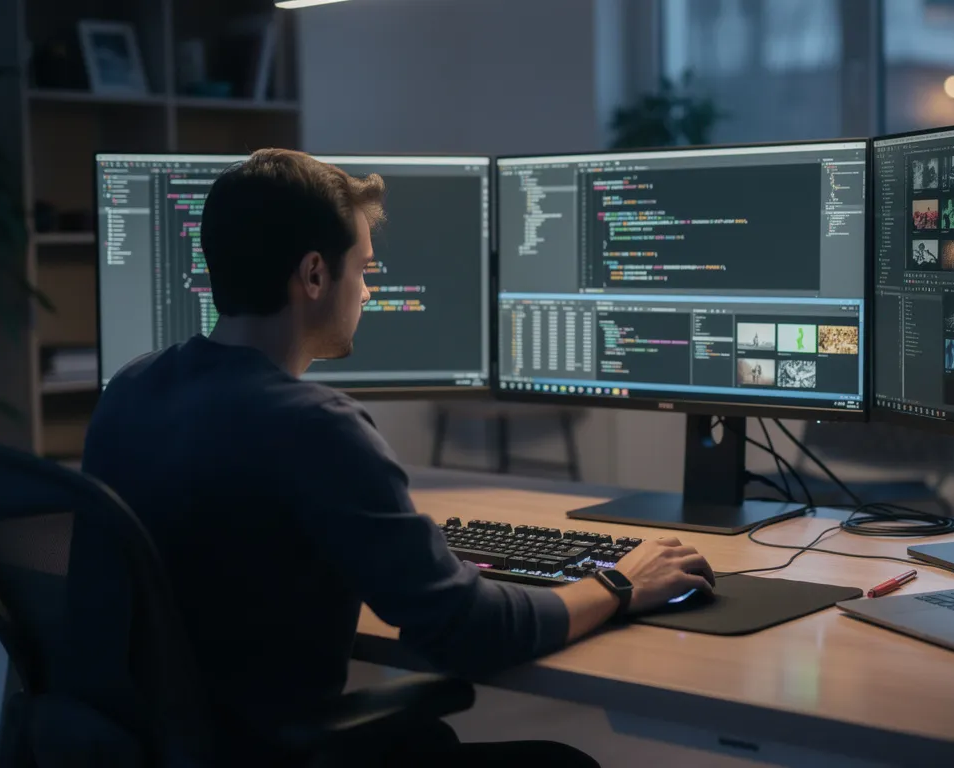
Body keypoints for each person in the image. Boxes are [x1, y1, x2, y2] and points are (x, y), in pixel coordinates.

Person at [82, 149, 714, 767]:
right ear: (312, 275)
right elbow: (469, 630)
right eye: (363, 268)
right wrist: (618, 583)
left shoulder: (130, 391)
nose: (365, 288)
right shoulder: (315, 426)